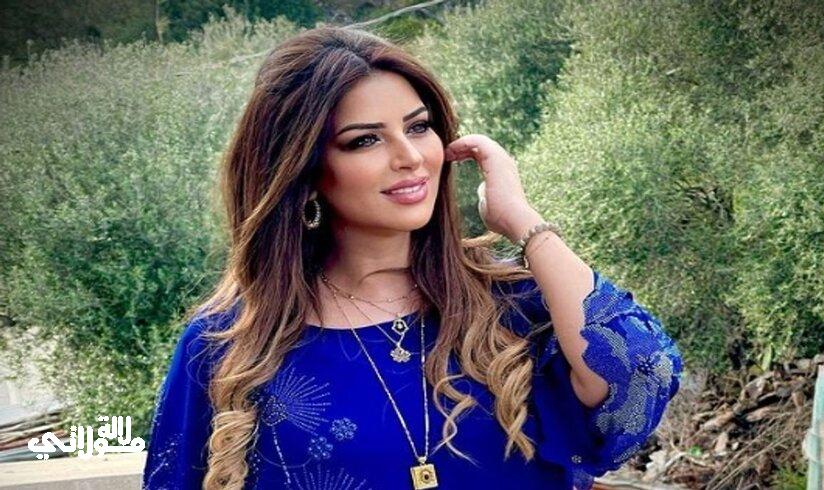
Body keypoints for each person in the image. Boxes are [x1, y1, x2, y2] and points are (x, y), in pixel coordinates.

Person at [142, 25, 683, 490]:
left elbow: (643, 372)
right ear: (303, 169)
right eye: (364, 141)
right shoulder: (228, 345)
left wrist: (524, 223)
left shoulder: (517, 308)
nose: (410, 157)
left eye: (419, 128)